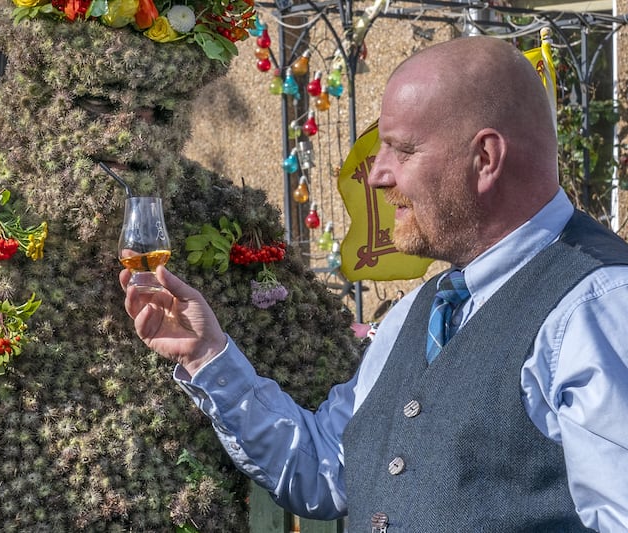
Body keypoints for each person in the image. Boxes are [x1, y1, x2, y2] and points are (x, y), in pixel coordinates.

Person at [122, 35, 628, 531]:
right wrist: (206, 355)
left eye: (402, 150)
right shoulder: (419, 311)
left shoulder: (600, 307)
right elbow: (326, 468)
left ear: (486, 159)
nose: (376, 175)